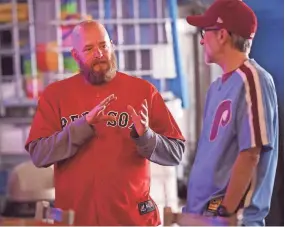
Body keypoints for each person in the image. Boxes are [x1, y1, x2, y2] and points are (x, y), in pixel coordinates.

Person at [25, 20, 185, 226]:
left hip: (133, 220)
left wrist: (146, 137)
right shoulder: (55, 95)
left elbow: (176, 153)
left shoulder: (144, 91)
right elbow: (39, 154)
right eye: (89, 49)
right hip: (75, 221)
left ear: (112, 46)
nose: (99, 54)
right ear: (75, 56)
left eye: (103, 46)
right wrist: (82, 127)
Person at [184, 0, 279, 226]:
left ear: (222, 35)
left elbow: (250, 154)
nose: (201, 39)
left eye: (205, 31)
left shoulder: (252, 79)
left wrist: (226, 213)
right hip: (204, 219)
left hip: (233, 222)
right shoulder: (216, 88)